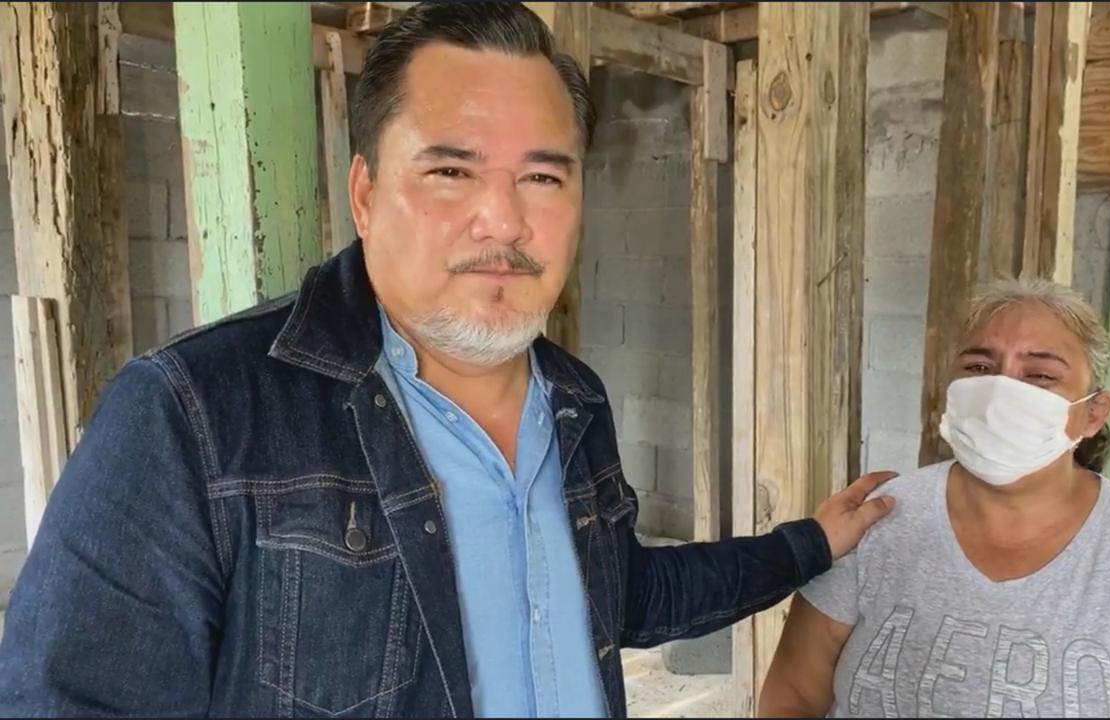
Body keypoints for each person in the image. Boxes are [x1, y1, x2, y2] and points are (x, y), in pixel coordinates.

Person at [0, 2, 897, 717]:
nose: (503, 220)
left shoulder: (574, 400)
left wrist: (808, 545)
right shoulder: (194, 416)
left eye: (542, 176)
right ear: (365, 192)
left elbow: (623, 596)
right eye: (451, 171)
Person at [758, 278, 1110, 718]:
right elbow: (792, 697)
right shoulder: (877, 521)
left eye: (1040, 375)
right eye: (979, 366)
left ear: (1094, 412)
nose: (999, 392)